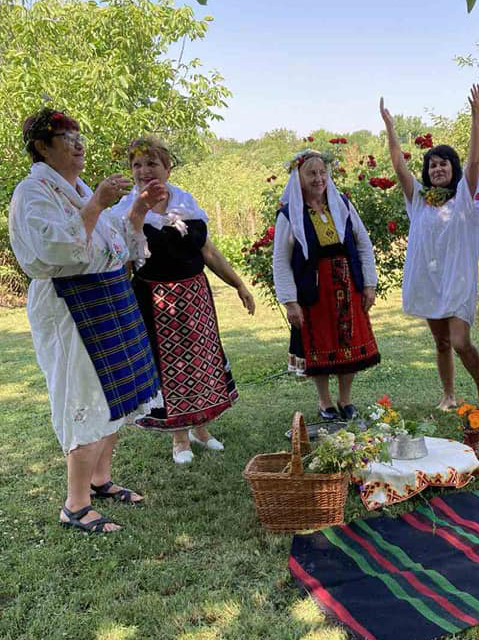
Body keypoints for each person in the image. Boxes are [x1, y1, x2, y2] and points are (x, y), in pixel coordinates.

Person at [9, 108, 165, 533]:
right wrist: (97, 202)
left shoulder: (74, 188)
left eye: (81, 137)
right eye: (67, 137)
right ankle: (75, 505)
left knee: (116, 393)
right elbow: (56, 250)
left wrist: (134, 210)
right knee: (86, 394)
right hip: (70, 301)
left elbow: (115, 244)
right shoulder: (33, 192)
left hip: (107, 295)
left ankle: (99, 481)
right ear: (42, 146)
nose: (78, 145)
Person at [108, 137, 255, 464]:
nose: (144, 171)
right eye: (137, 165)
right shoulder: (125, 211)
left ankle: (200, 429)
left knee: (200, 360)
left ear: (168, 168)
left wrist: (238, 285)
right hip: (154, 299)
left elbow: (209, 252)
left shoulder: (187, 204)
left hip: (195, 295)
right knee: (170, 365)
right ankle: (179, 438)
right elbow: (126, 263)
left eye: (152, 164)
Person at [381, 85, 479, 410]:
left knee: (460, 341)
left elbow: (475, 157)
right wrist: (391, 128)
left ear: (453, 168)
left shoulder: (466, 194)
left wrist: (477, 116)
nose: (438, 169)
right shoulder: (419, 199)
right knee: (440, 342)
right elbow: (398, 166)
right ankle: (449, 395)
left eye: (444, 164)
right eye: (433, 165)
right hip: (429, 279)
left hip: (458, 279)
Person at [272, 149, 380, 421]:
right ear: (298, 178)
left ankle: (345, 399)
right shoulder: (289, 214)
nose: (318, 178)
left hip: (347, 284)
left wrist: (369, 284)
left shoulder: (341, 204)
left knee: (349, 340)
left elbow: (363, 244)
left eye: (322, 172)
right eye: (311, 173)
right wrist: (290, 301)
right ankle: (325, 401)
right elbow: (281, 261)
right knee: (318, 345)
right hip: (314, 290)